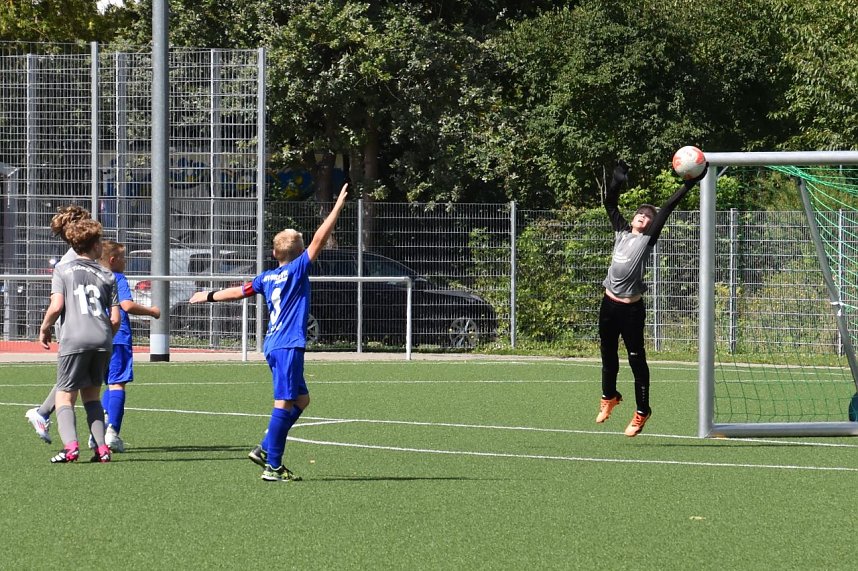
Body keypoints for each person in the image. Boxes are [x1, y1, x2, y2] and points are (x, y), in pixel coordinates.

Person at [189, 183, 349, 482]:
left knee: (302, 401)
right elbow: (319, 238)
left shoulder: (266, 277)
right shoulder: (299, 268)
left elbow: (239, 291)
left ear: (274, 253)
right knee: (283, 402)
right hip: (288, 344)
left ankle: (265, 448)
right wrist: (337, 207)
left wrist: (208, 295)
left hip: (273, 343)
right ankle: (273, 466)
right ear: (300, 252)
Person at [596, 159, 707, 436]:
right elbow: (610, 204)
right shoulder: (622, 232)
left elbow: (667, 208)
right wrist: (616, 181)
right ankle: (609, 396)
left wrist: (690, 183)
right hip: (608, 305)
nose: (643, 216)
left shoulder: (647, 240)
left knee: (636, 361)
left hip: (631, 311)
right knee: (608, 356)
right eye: (640, 214)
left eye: (648, 216)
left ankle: (642, 411)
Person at [38, 218, 120, 463]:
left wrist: (45, 328)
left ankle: (71, 448)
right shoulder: (107, 274)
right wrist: (105, 338)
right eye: (100, 243)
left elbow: (57, 305)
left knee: (64, 395)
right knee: (92, 397)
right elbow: (115, 318)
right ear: (94, 246)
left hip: (74, 338)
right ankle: (102, 450)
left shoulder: (63, 269)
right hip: (103, 340)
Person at [26, 205, 92, 444]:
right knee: (73, 382)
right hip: (76, 328)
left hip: (87, 327)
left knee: (80, 379)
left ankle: (43, 414)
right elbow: (57, 304)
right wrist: (44, 327)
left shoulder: (81, 256)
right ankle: (45, 415)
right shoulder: (71, 261)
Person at [95, 239, 161, 453]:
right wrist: (151, 311)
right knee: (118, 384)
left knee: (104, 385)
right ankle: (112, 433)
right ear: (113, 260)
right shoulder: (117, 277)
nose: (126, 262)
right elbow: (126, 305)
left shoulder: (92, 278)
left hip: (95, 336)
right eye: (124, 258)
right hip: (118, 337)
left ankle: (97, 433)